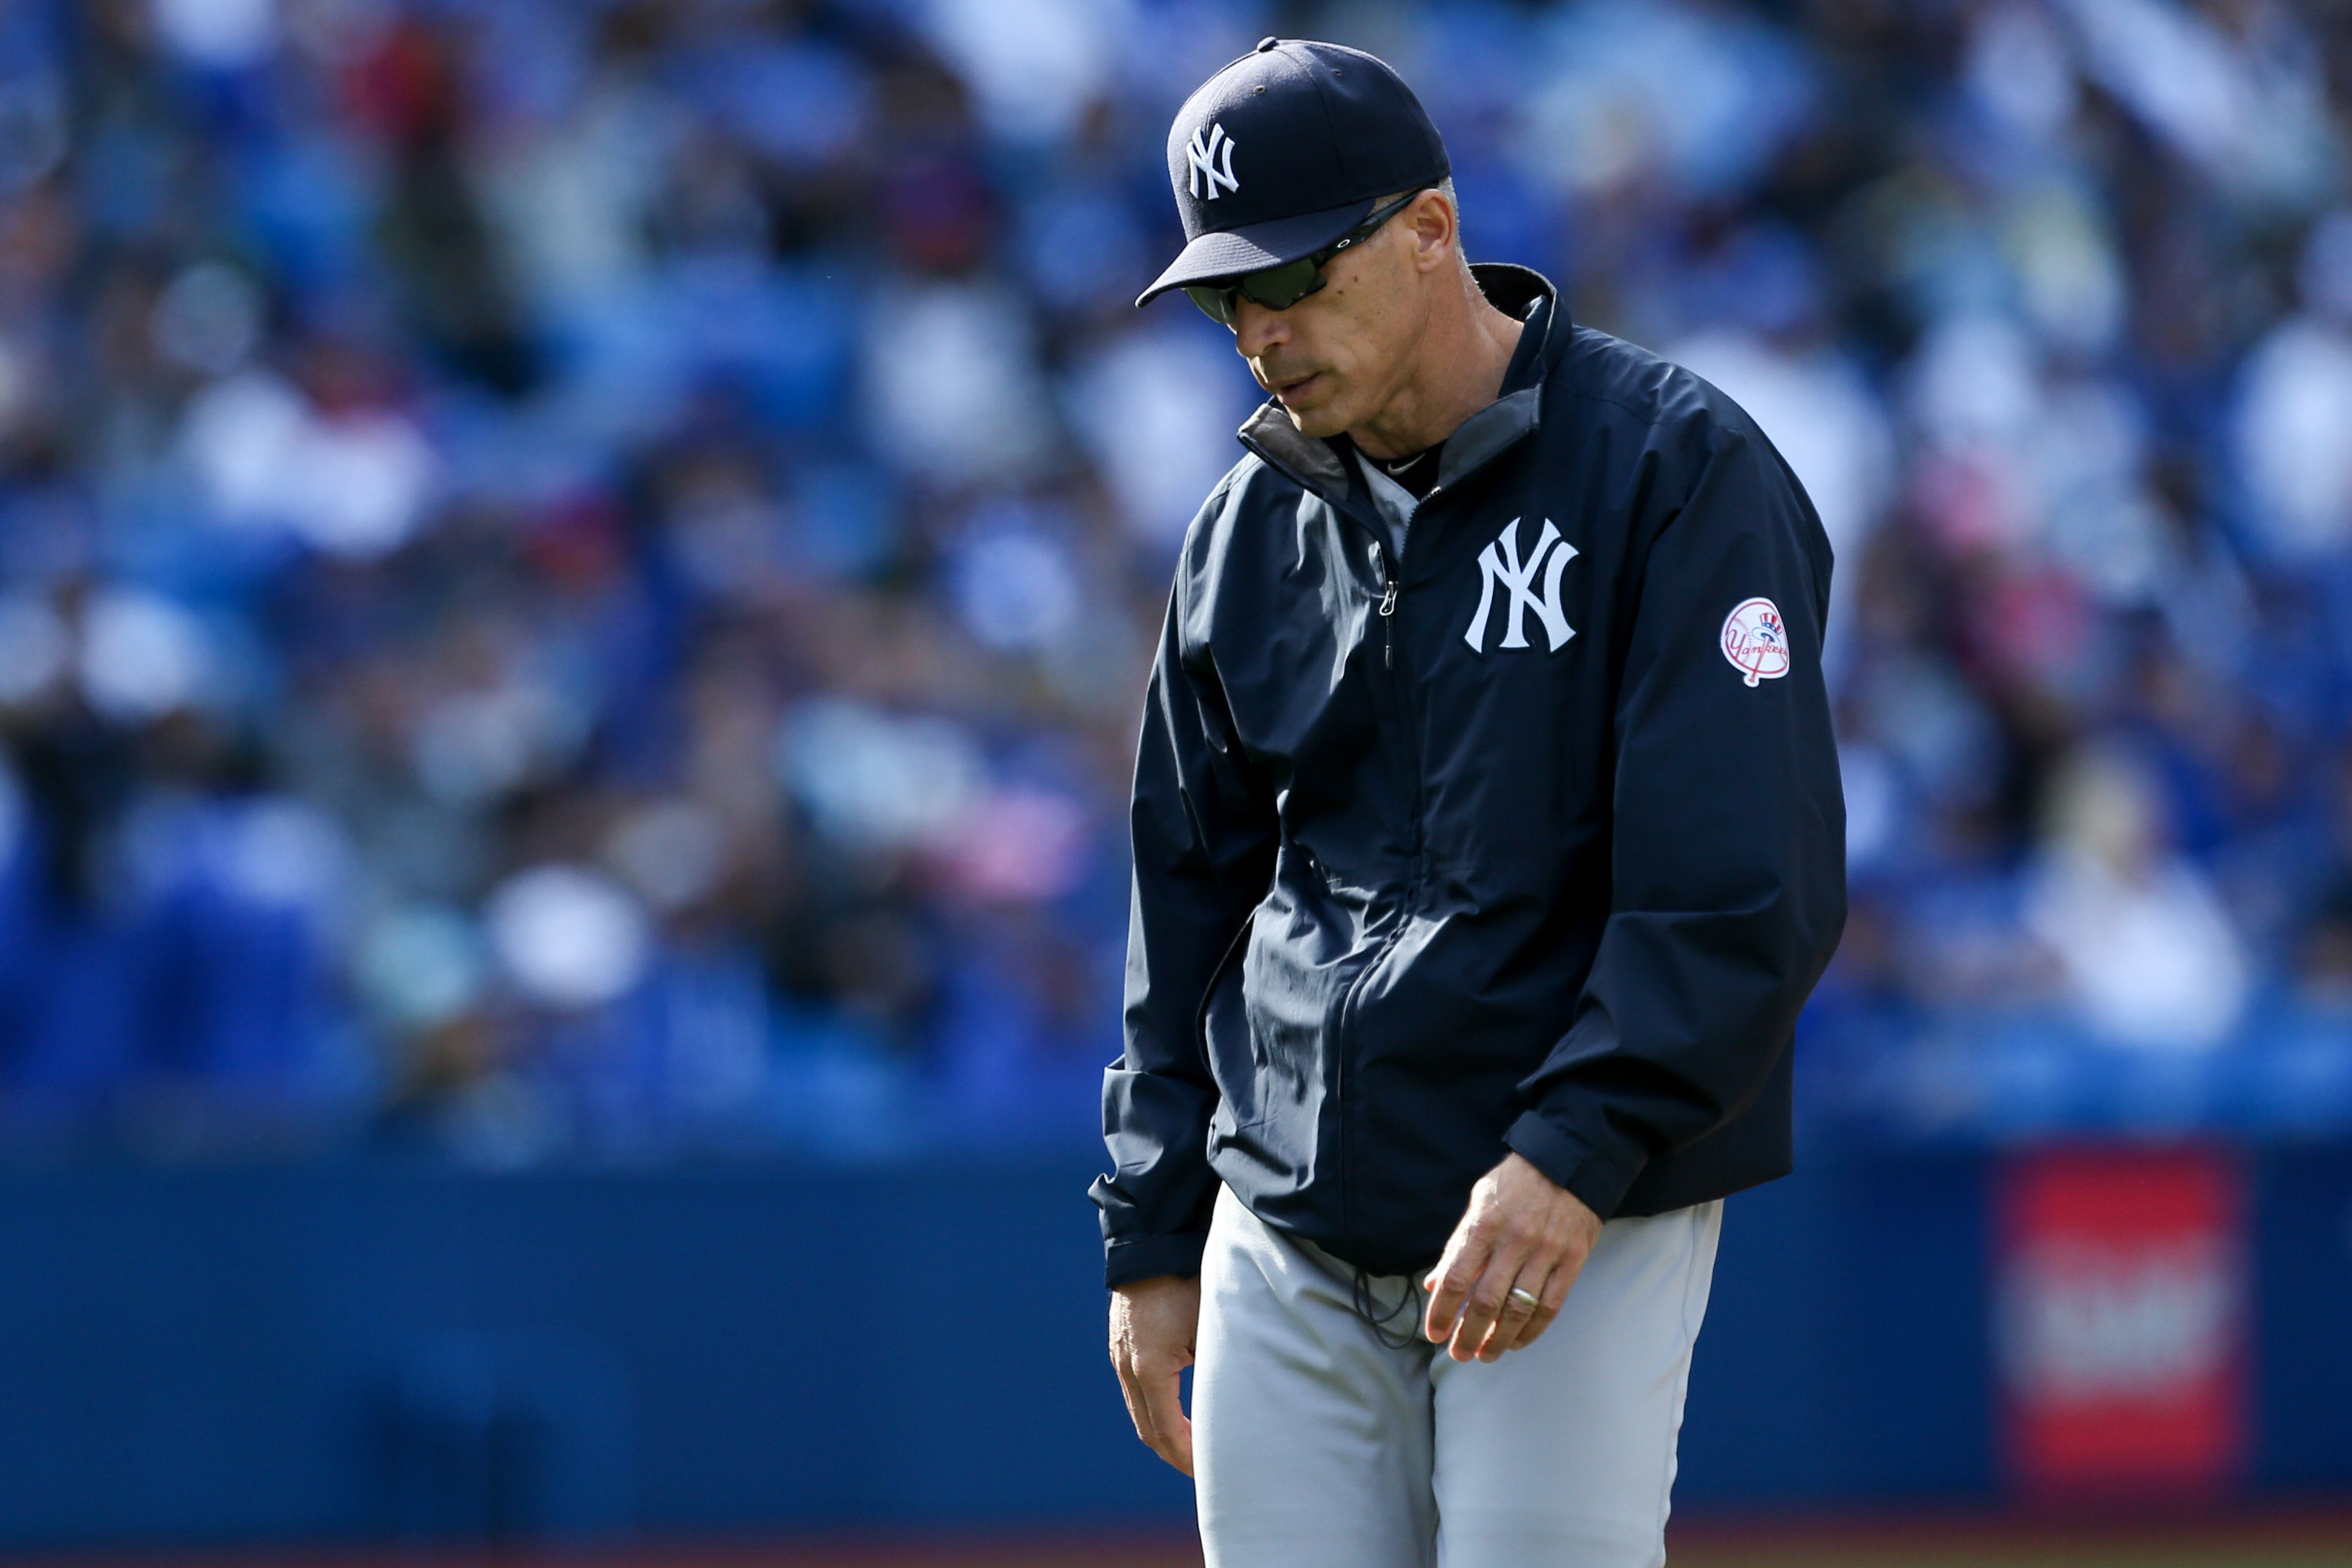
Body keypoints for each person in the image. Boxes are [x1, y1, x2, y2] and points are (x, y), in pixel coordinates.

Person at [1090, 37, 1847, 1568]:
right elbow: (1185, 899)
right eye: (1230, 295)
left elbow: (1738, 883)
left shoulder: (1670, 471)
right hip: (1286, 1216)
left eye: (1298, 272)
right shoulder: (1245, 529)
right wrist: (1153, 1225)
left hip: (1572, 1205)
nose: (1261, 327)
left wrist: (1576, 1147)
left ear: (1429, 226)